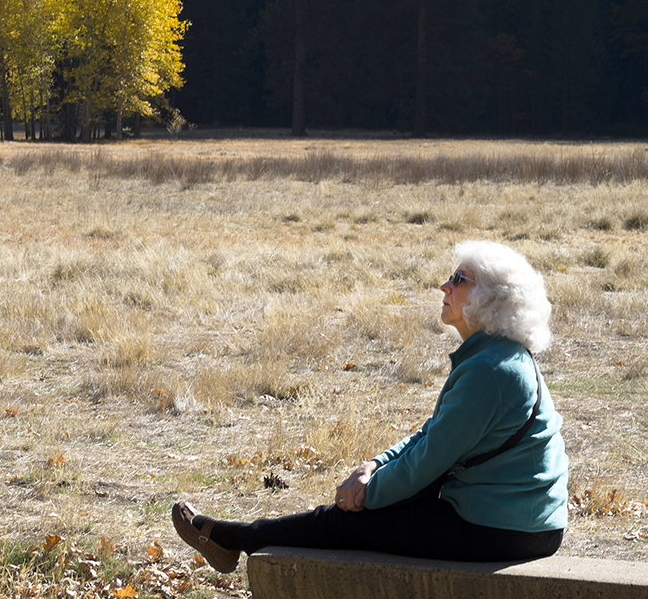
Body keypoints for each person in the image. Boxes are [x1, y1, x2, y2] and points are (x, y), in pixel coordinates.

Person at [173, 241, 568, 573]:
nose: (444, 285)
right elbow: (434, 433)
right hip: (515, 521)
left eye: (459, 279)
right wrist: (375, 466)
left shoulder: (489, 372)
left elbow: (430, 461)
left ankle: (234, 538)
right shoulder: (497, 357)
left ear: (489, 299)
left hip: (503, 529)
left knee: (350, 524)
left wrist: (364, 494)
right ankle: (234, 537)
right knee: (370, 523)